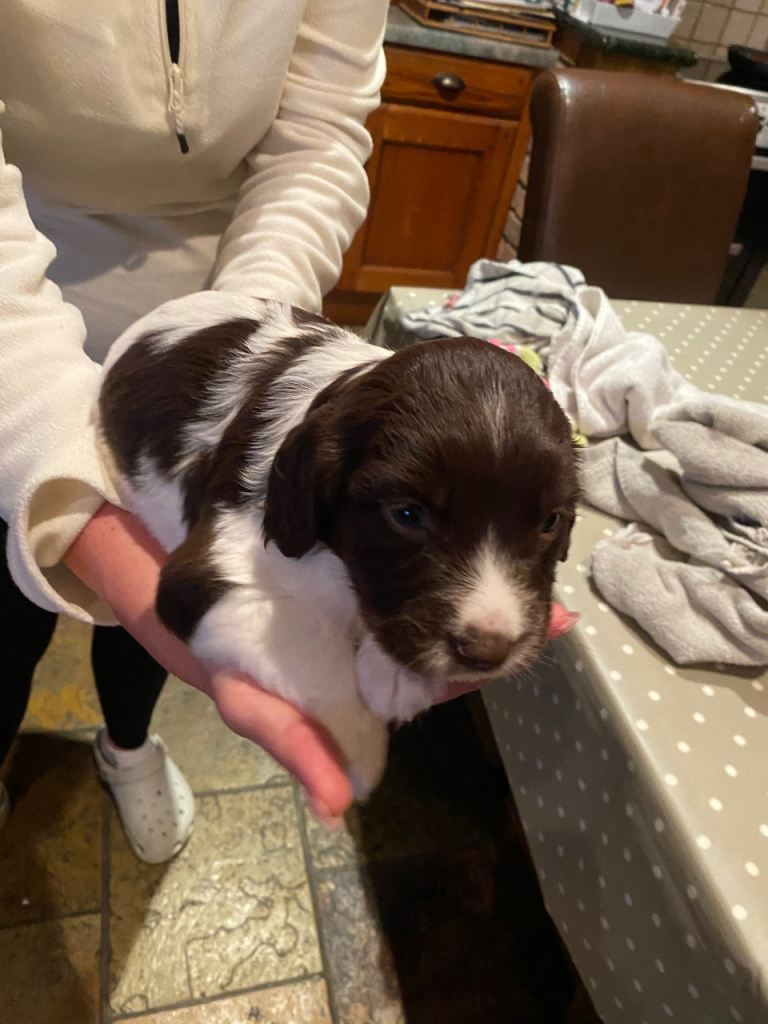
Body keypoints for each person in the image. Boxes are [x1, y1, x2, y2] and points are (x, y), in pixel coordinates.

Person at [0, 1, 575, 859]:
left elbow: (320, 134)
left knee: (139, 641)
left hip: (233, 285)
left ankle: (125, 746)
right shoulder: (309, 473)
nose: (493, 618)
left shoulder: (331, 444)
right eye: (414, 516)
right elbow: (239, 573)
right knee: (10, 612)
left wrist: (249, 307)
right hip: (20, 318)